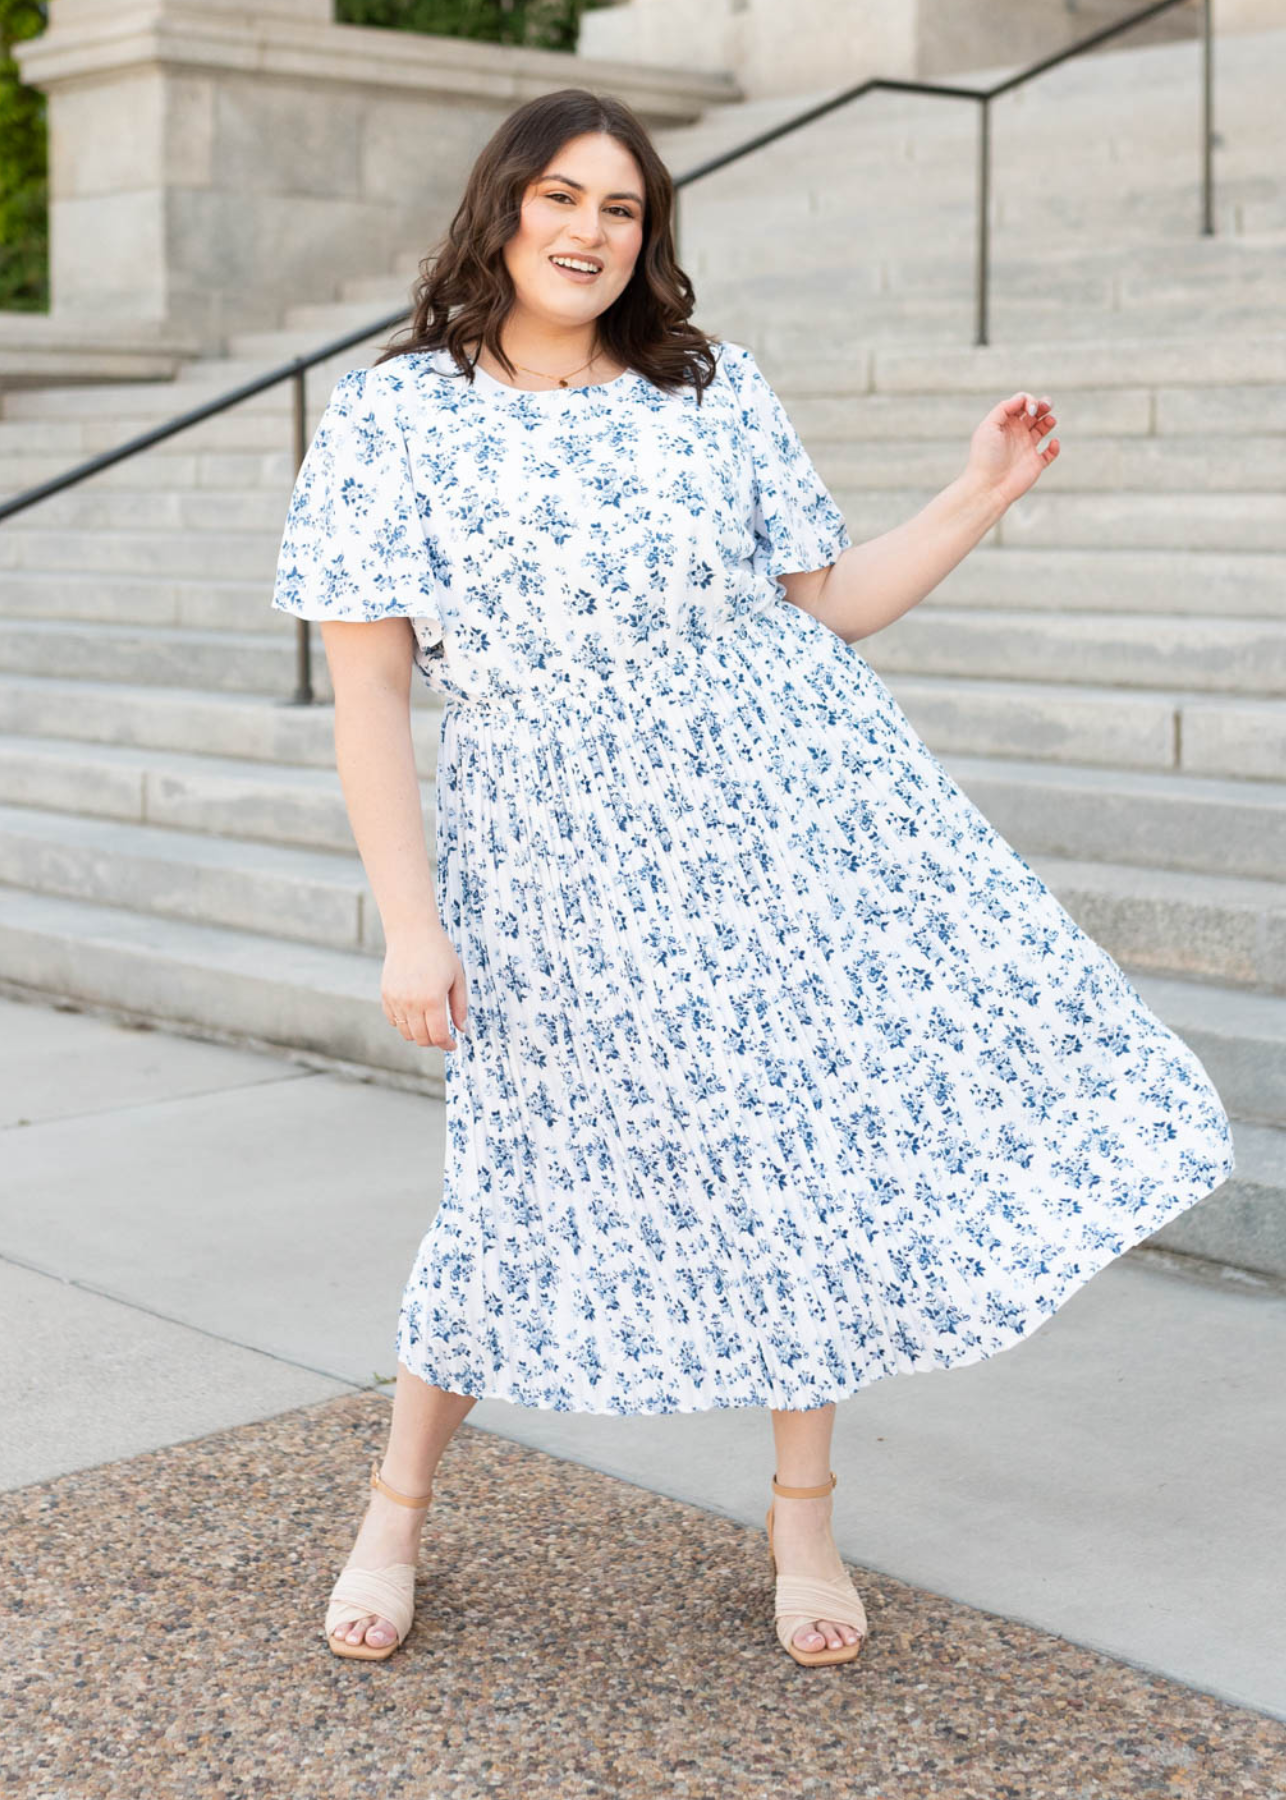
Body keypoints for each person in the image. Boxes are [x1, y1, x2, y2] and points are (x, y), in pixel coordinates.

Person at [270, 87, 1236, 1670]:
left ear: (650, 236)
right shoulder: (399, 416)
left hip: (783, 816)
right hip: (551, 848)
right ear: (500, 208)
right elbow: (370, 690)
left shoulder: (708, 390)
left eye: (624, 209)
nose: (589, 232)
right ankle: (394, 1506)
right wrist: (413, 922)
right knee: (515, 1178)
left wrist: (975, 496)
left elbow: (827, 606)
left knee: (796, 1159)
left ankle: (801, 1515)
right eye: (561, 199)